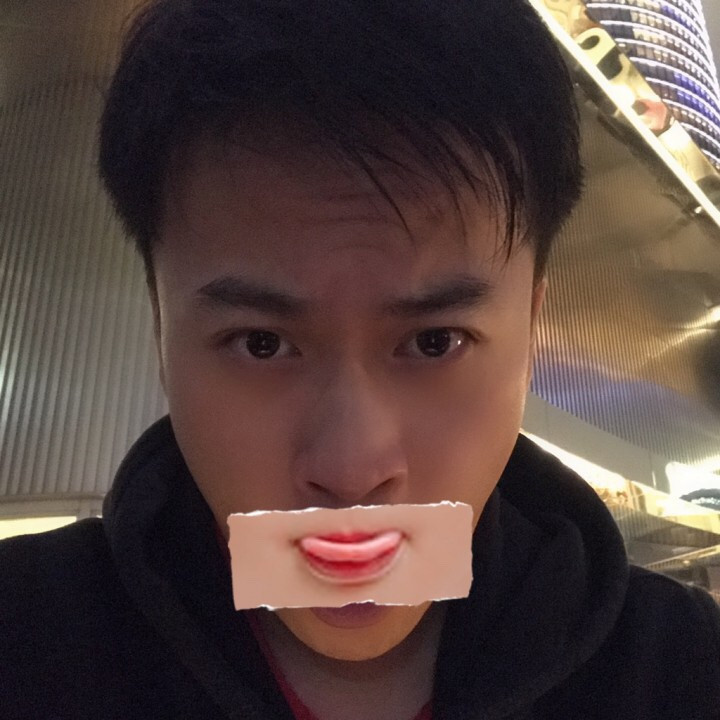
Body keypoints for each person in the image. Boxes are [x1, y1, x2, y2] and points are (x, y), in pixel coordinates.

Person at [2, 1, 719, 718]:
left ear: (530, 330)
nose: (350, 471)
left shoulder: (681, 666)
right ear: (161, 330)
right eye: (261, 343)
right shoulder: (27, 639)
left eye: (435, 341)